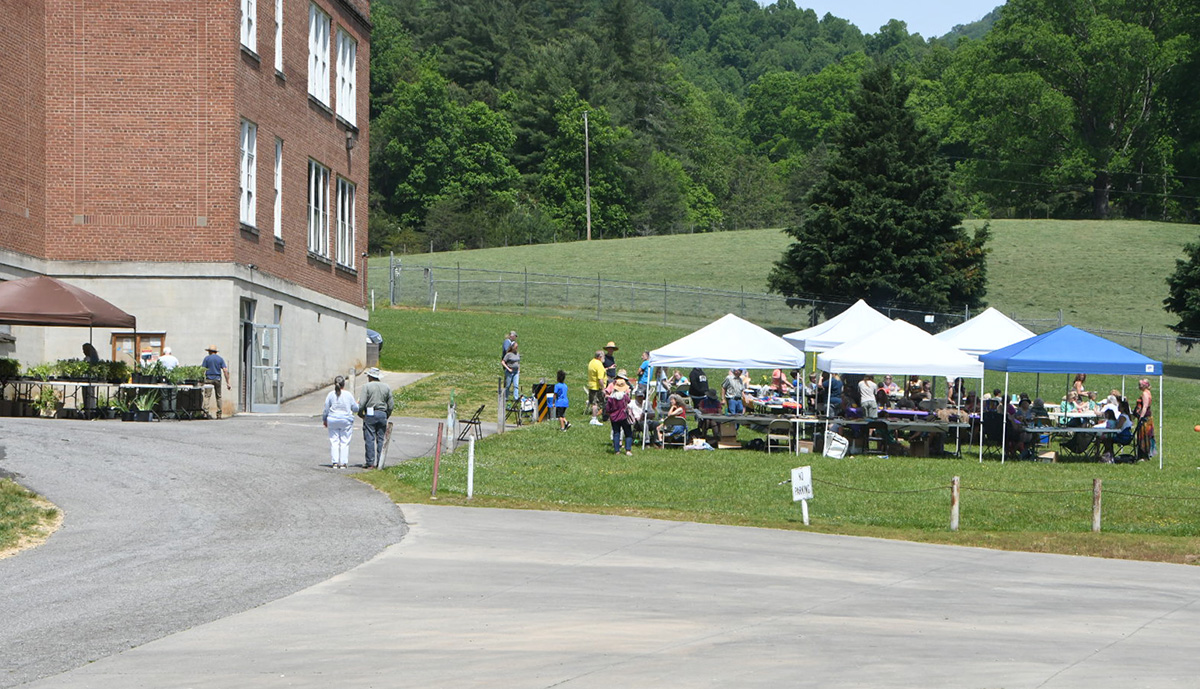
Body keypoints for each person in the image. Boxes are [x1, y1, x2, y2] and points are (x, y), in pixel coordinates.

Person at [358, 367, 393, 468]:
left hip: (370, 413)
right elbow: (391, 404)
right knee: (381, 438)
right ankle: (380, 462)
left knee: (370, 438)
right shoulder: (386, 387)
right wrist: (387, 414)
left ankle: (370, 462)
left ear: (370, 376)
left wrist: (361, 414)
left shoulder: (367, 386)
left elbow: (362, 403)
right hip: (382, 413)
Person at [322, 375, 359, 468]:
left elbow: (326, 409)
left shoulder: (330, 394)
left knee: (334, 441)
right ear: (344, 384)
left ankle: (335, 462)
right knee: (344, 441)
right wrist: (357, 404)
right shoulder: (348, 395)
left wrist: (324, 419)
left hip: (333, 418)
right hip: (345, 419)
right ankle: (343, 463)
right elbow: (355, 408)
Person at [605, 371, 634, 456]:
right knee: (628, 433)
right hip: (624, 416)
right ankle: (628, 450)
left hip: (614, 417)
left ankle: (617, 450)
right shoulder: (624, 396)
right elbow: (628, 401)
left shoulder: (611, 397)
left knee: (616, 433)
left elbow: (607, 408)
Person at [202, 345, 231, 418]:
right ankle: (219, 413)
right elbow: (225, 370)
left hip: (209, 378)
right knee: (218, 396)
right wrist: (228, 382)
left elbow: (202, 370)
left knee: (207, 396)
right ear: (216, 352)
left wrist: (201, 380)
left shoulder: (207, 359)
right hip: (217, 378)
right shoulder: (220, 359)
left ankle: (206, 412)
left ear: (209, 351)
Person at [1134, 378, 1156, 460]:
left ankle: (1144, 455)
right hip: (1148, 417)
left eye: (1140, 385)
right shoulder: (1148, 393)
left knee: (1143, 436)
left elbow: (1145, 407)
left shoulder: (1145, 394)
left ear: (1144, 386)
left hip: (1145, 418)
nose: (1139, 386)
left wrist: (1141, 417)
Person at [587, 350, 606, 425]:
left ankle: (596, 417)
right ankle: (594, 418)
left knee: (594, 403)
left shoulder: (592, 362)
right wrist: (603, 388)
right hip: (597, 387)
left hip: (591, 385)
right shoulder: (599, 365)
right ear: (600, 357)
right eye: (603, 356)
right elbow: (600, 379)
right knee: (596, 403)